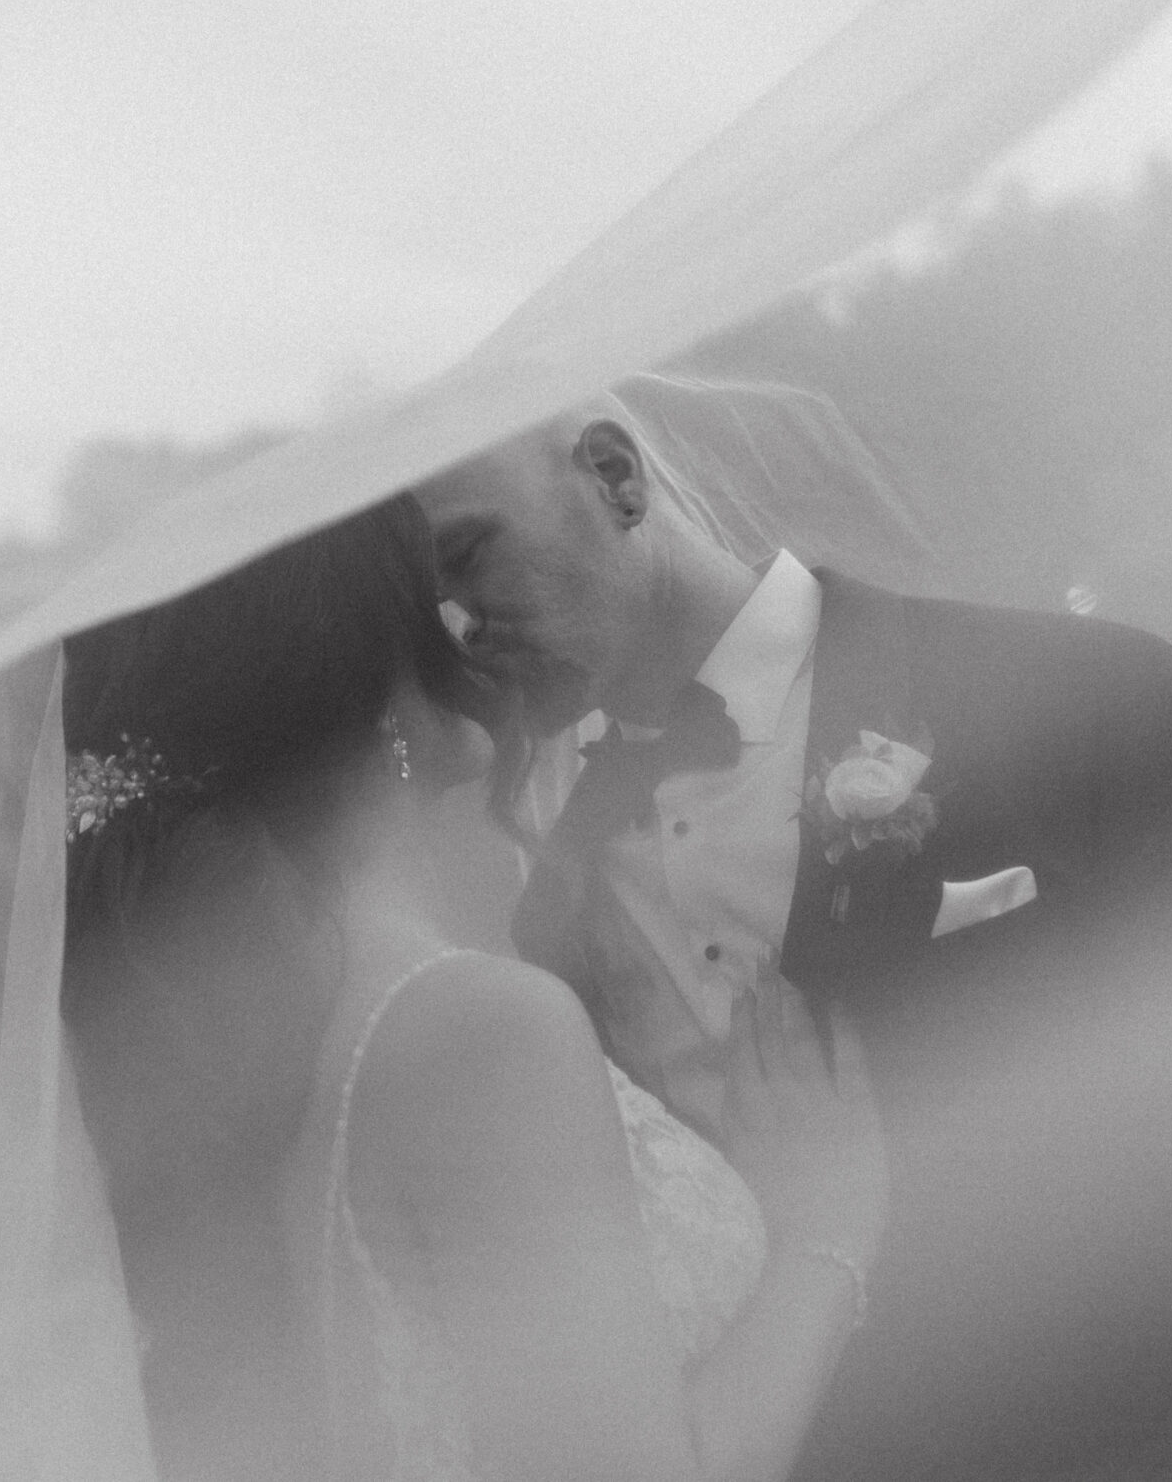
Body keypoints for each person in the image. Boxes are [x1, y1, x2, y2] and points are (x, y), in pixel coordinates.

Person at [416, 402, 1172, 1482]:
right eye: (427, 607)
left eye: (470, 555)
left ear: (613, 475)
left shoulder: (1086, 698)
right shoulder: (554, 924)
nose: (458, 632)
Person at [55, 491, 890, 1482]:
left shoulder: (227, 1051)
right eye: (433, 609)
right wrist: (830, 1231)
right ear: (388, 708)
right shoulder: (476, 1032)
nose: (469, 635)